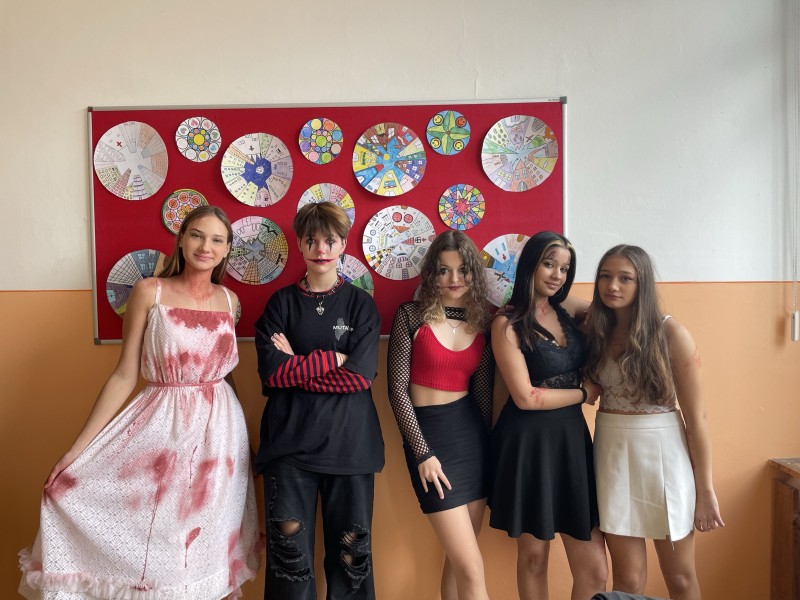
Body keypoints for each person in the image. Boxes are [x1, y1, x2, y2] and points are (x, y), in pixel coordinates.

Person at [18, 205, 260, 599]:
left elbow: (224, 373)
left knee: (205, 543)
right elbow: (123, 375)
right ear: (181, 239)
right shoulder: (150, 291)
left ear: (227, 249)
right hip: (164, 428)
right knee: (161, 537)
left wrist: (245, 438)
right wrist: (74, 453)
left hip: (221, 438)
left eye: (217, 240)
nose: (206, 246)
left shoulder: (229, 300)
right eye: (197, 235)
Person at [254, 202, 384, 600]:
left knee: (351, 560)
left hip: (351, 449)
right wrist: (334, 359)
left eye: (330, 240)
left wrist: (298, 363)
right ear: (299, 244)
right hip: (289, 450)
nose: (321, 249)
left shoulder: (361, 305)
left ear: (343, 243)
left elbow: (359, 378)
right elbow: (273, 375)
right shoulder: (279, 304)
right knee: (289, 560)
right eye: (311, 240)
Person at [584, 245, 724, 600]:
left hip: (665, 458)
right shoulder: (594, 330)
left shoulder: (671, 333)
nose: (612, 285)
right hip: (612, 457)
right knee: (628, 581)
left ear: (643, 282)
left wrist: (705, 490)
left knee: (680, 578)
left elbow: (698, 419)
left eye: (625, 278)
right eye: (605, 276)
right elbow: (559, 305)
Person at [489, 231, 608, 600]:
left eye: (565, 268)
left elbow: (613, 310)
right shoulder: (506, 323)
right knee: (534, 558)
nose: (557, 274)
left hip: (572, 442)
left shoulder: (567, 309)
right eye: (549, 264)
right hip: (527, 444)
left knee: (595, 570)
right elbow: (526, 397)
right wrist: (584, 393)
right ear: (530, 265)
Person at [387, 230, 495, 600]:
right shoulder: (410, 315)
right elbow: (397, 390)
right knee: (472, 567)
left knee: (459, 564)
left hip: (472, 442)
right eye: (444, 270)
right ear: (432, 274)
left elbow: (482, 397)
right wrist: (422, 452)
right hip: (429, 438)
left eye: (463, 270)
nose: (454, 279)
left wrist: (490, 452)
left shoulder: (484, 322)